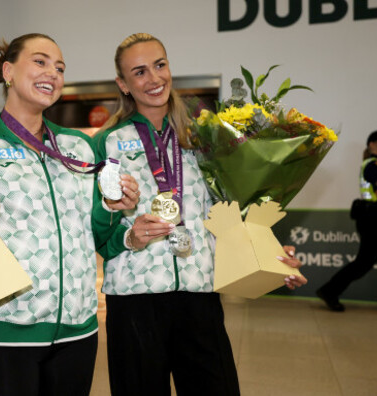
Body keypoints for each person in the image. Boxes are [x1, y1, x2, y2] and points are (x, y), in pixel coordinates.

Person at [0, 33, 139, 396]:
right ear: (8, 71)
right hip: (6, 333)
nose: (52, 72)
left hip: (78, 331)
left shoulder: (77, 147)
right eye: (40, 61)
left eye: (60, 67)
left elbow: (97, 233)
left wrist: (117, 211)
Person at [93, 33, 308, 396]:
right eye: (139, 72)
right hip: (134, 301)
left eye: (160, 65)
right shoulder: (107, 141)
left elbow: (232, 209)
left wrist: (269, 254)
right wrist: (128, 238)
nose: (154, 78)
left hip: (199, 293)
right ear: (123, 84)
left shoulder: (205, 135)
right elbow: (98, 232)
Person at [317, 130, 377, 312]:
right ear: (372, 145)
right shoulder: (374, 164)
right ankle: (329, 291)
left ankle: (329, 291)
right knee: (365, 262)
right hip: (374, 220)